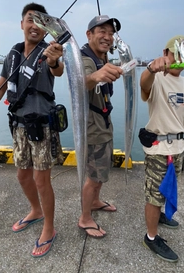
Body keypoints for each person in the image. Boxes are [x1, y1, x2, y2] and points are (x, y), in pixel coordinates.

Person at [0, 2, 64, 257]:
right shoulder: (14, 54)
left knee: (42, 180)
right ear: (22, 24)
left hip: (41, 126)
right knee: (22, 176)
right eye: (30, 20)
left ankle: (49, 229)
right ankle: (36, 211)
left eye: (41, 22)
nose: (34, 26)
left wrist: (54, 61)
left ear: (45, 28)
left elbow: (58, 69)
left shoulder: (49, 51)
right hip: (18, 126)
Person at [139, 35, 184, 262]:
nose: (179, 59)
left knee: (167, 190)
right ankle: (151, 237)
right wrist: (151, 68)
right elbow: (143, 85)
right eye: (175, 53)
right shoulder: (157, 78)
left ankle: (160, 216)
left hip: (181, 147)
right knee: (154, 195)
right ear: (166, 53)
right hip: (159, 148)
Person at [78, 15, 123, 238]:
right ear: (89, 35)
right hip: (93, 130)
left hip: (103, 124)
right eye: (102, 31)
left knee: (100, 174)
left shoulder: (102, 57)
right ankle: (85, 218)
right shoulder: (85, 59)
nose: (108, 37)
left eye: (111, 32)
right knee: (93, 178)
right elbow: (81, 81)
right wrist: (97, 75)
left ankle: (95, 202)